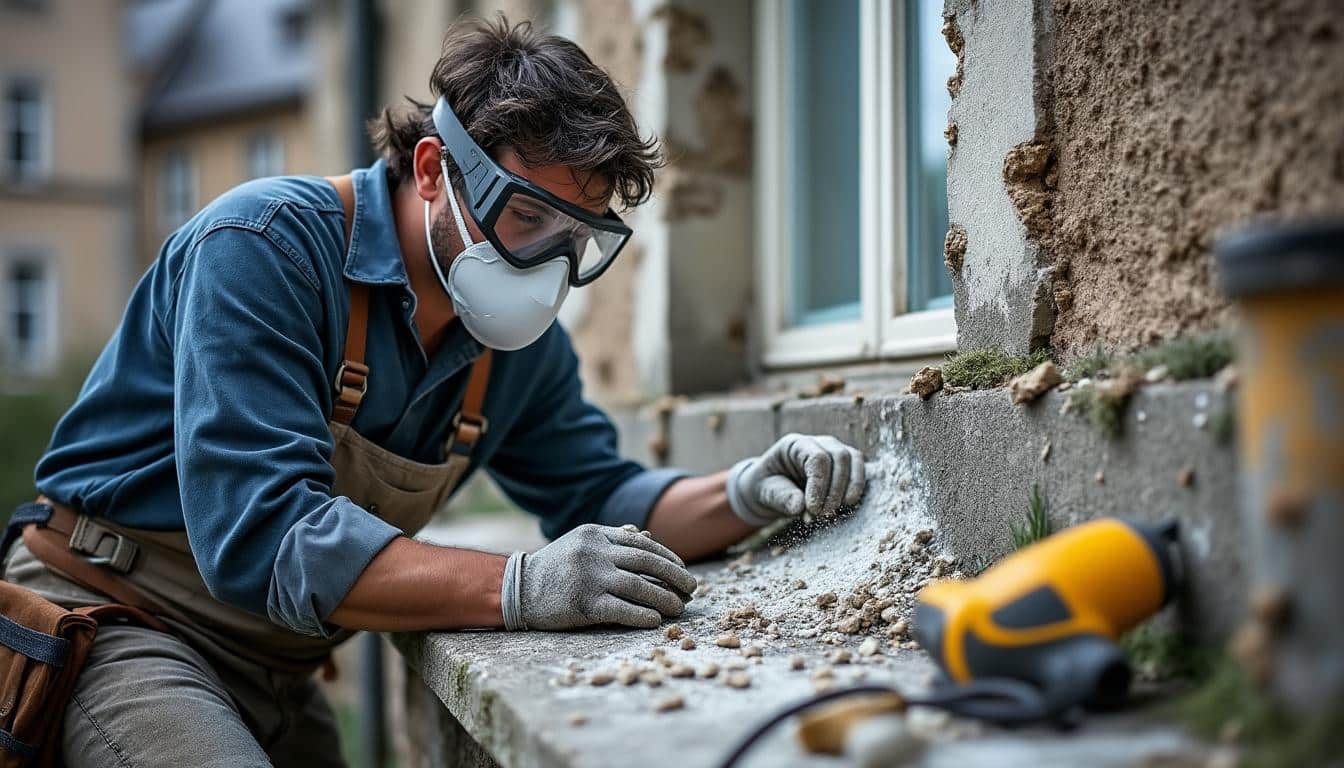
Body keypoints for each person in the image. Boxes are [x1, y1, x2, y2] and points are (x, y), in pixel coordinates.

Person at [4, 16, 866, 767]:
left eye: (581, 239)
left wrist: (749, 492)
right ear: (431, 170)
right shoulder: (262, 248)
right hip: (117, 618)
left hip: (277, 658)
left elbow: (602, 494)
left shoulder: (512, 349)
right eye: (528, 219)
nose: (549, 267)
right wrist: (520, 587)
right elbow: (263, 537)